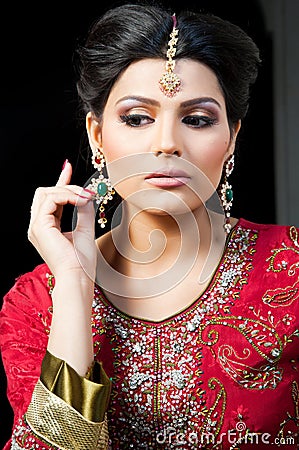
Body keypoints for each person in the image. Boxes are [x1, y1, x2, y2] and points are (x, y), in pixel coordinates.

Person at [0, 2, 298, 449]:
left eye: (196, 119)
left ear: (232, 136)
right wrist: (75, 286)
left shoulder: (291, 268)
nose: (166, 144)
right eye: (137, 118)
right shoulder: (34, 301)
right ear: (97, 135)